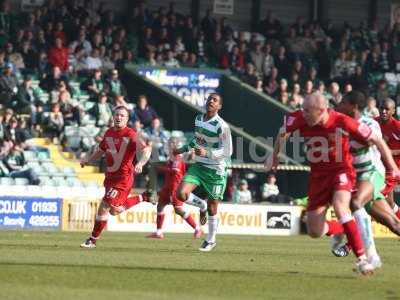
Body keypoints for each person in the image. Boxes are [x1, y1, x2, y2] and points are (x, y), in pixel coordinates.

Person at [265, 92, 400, 275]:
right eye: (302, 110)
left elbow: (377, 140)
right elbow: (284, 131)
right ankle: (340, 230)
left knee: (348, 204)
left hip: (353, 172)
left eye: (307, 111)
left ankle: (366, 258)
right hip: (319, 176)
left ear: (320, 111)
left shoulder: (345, 121)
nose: (302, 113)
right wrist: (274, 156)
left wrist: (392, 167)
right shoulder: (300, 117)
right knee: (314, 230)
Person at [330, 91, 400, 268]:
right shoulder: (340, 126)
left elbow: (377, 143)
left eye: (343, 102)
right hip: (359, 177)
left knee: (356, 202)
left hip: (375, 173)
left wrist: (392, 166)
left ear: (353, 107)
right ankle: (363, 250)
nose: (339, 105)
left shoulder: (370, 124)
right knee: (392, 222)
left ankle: (368, 255)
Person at [80, 106, 153, 248]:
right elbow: (100, 150)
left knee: (105, 205)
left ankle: (92, 240)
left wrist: (141, 163)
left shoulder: (130, 134)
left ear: (126, 119)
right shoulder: (108, 133)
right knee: (114, 210)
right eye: (117, 115)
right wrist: (88, 160)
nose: (119, 117)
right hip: (110, 178)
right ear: (113, 116)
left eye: (122, 116)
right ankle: (143, 197)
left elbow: (147, 150)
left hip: (123, 178)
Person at [174, 93, 232, 252]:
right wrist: (183, 149)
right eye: (209, 99)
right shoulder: (198, 119)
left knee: (214, 207)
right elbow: (197, 140)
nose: (211, 101)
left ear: (219, 106)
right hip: (199, 167)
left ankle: (211, 240)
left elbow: (228, 151)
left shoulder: (222, 126)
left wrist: (207, 153)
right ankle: (202, 205)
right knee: (181, 194)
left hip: (216, 170)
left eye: (215, 100)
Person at [147, 138, 206, 239]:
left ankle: (197, 229)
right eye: (169, 143)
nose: (170, 145)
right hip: (167, 187)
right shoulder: (171, 157)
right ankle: (158, 232)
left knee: (178, 209)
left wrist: (158, 168)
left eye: (173, 143)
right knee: (160, 206)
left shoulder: (177, 157)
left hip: (175, 187)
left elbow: (174, 171)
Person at [376, 98, 400, 220]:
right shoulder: (373, 123)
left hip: (393, 171)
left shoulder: (397, 127)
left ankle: (359, 237)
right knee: (390, 203)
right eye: (381, 108)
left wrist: (390, 152)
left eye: (387, 109)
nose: (384, 111)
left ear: (393, 111)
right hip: (379, 169)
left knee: (374, 197)